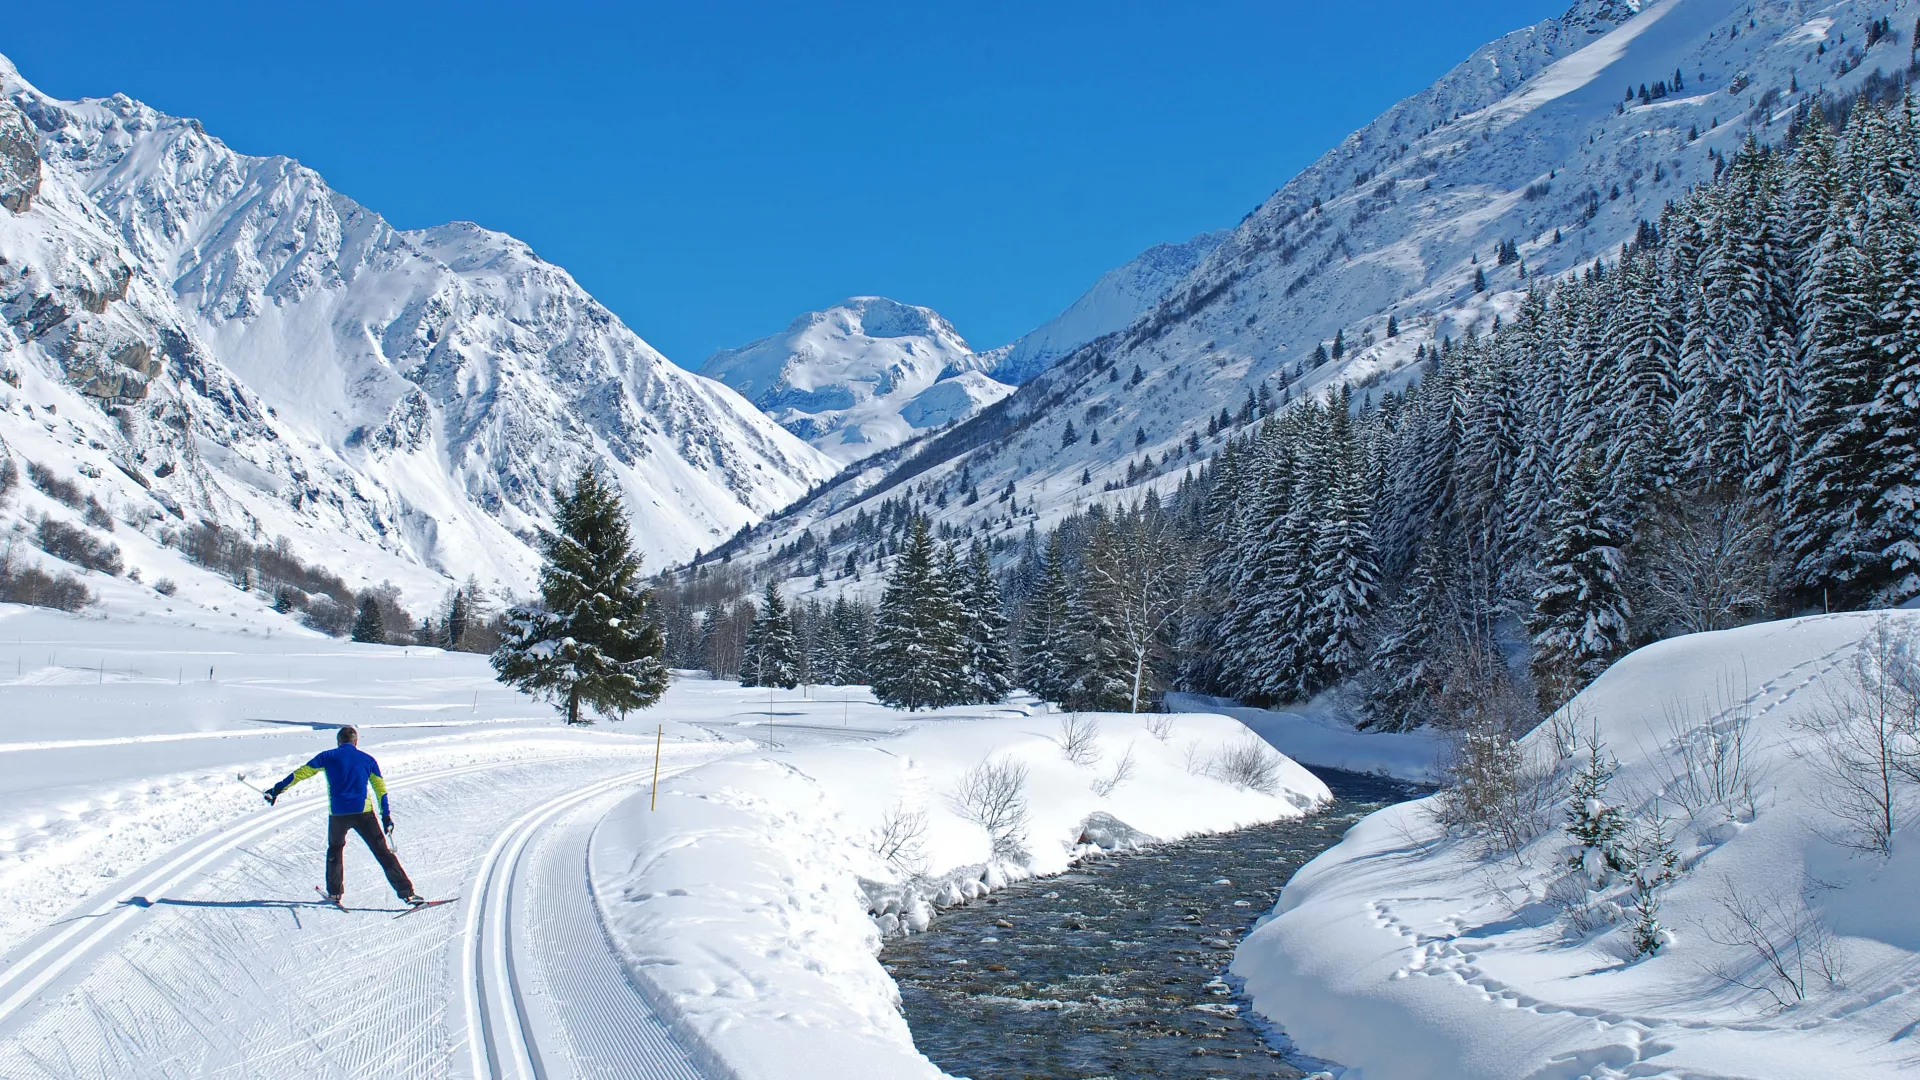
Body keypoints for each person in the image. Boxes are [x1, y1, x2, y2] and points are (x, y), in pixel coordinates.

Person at [265, 725, 424, 906]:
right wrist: (386, 816)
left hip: (338, 814)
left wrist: (276, 790)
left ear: (338, 742)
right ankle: (407, 894)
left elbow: (300, 774)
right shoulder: (368, 760)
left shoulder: (327, 757)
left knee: (335, 849)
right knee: (382, 852)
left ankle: (334, 893)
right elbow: (381, 790)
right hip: (363, 813)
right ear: (356, 742)